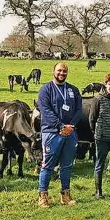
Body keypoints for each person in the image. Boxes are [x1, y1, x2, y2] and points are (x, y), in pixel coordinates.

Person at [37, 62, 83, 208]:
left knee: (67, 165)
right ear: (53, 71)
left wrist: (71, 126)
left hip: (70, 133)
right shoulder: (45, 90)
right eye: (59, 71)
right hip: (51, 132)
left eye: (64, 71)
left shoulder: (73, 90)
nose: (62, 73)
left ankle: (65, 194)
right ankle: (43, 195)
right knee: (47, 165)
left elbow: (79, 110)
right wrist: (61, 126)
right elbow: (46, 110)